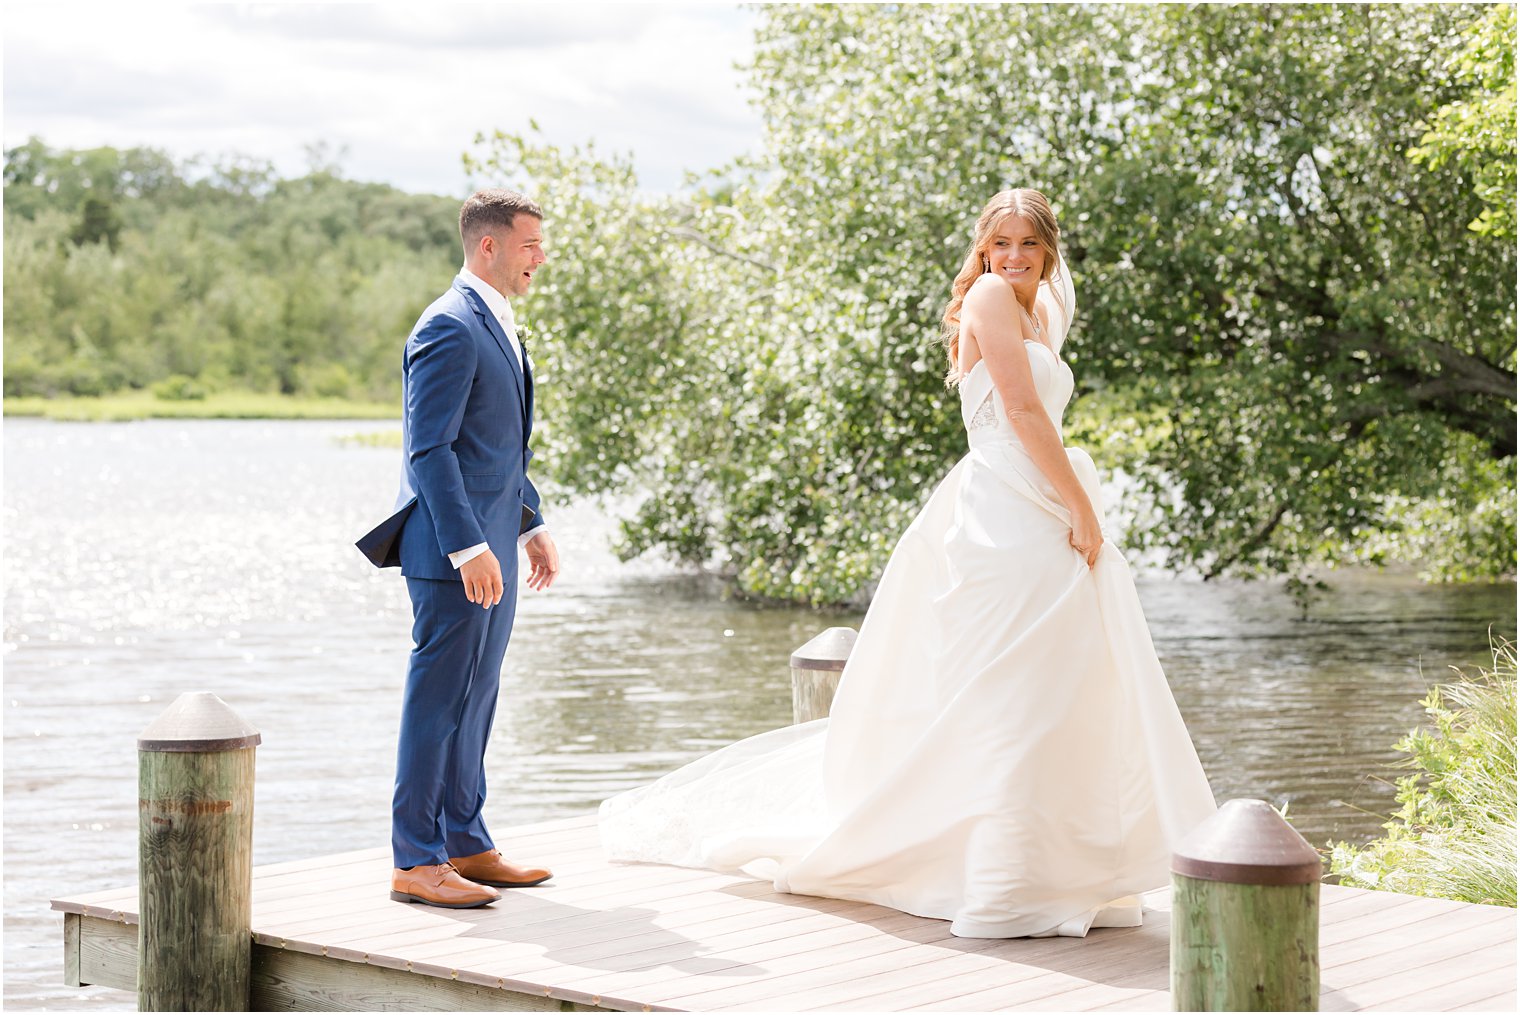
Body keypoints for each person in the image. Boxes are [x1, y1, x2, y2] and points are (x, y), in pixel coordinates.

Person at [599, 189, 1217, 938]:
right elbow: (1020, 415)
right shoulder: (990, 298)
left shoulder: (1044, 313)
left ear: (1049, 249)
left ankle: (1064, 872)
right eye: (1000, 245)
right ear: (984, 253)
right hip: (1005, 507)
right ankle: (1000, 880)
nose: (1012, 257)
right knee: (1010, 687)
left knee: (1063, 684)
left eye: (1027, 244)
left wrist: (1076, 505)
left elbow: (1042, 412)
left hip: (1042, 500)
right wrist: (1084, 509)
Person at [357, 189, 560, 909]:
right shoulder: (447, 325)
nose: (541, 256)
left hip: (495, 545)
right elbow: (431, 449)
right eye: (531, 243)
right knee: (437, 701)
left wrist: (529, 524)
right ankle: (415, 858)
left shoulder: (497, 322)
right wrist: (470, 545)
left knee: (477, 697)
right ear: (489, 246)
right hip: (452, 554)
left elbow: (497, 449)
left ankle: (466, 842)